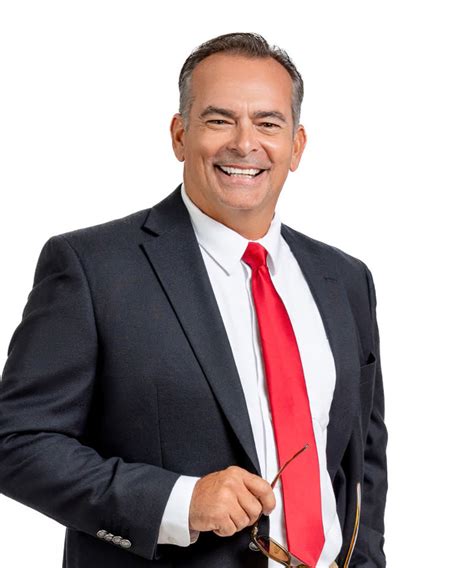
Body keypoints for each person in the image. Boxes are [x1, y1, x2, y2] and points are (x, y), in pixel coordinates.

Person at [0, 32, 387, 568]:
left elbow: (361, 460)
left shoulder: (345, 279)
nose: (245, 144)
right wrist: (178, 502)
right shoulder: (92, 269)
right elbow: (17, 442)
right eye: (220, 119)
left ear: (296, 146)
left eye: (268, 123)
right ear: (180, 135)